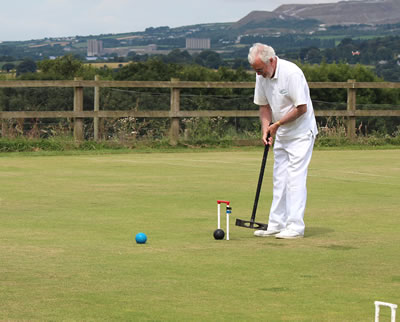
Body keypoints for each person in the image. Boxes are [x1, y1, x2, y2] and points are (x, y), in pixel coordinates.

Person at [248, 43, 318, 239]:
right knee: (279, 178)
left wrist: (276, 124)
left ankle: (295, 227)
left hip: (302, 132)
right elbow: (263, 106)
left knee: (295, 178)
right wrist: (266, 130)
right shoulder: (261, 75)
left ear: (271, 61)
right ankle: (276, 223)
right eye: (256, 70)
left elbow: (301, 108)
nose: (259, 74)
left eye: (260, 69)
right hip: (282, 133)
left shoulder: (292, 74)